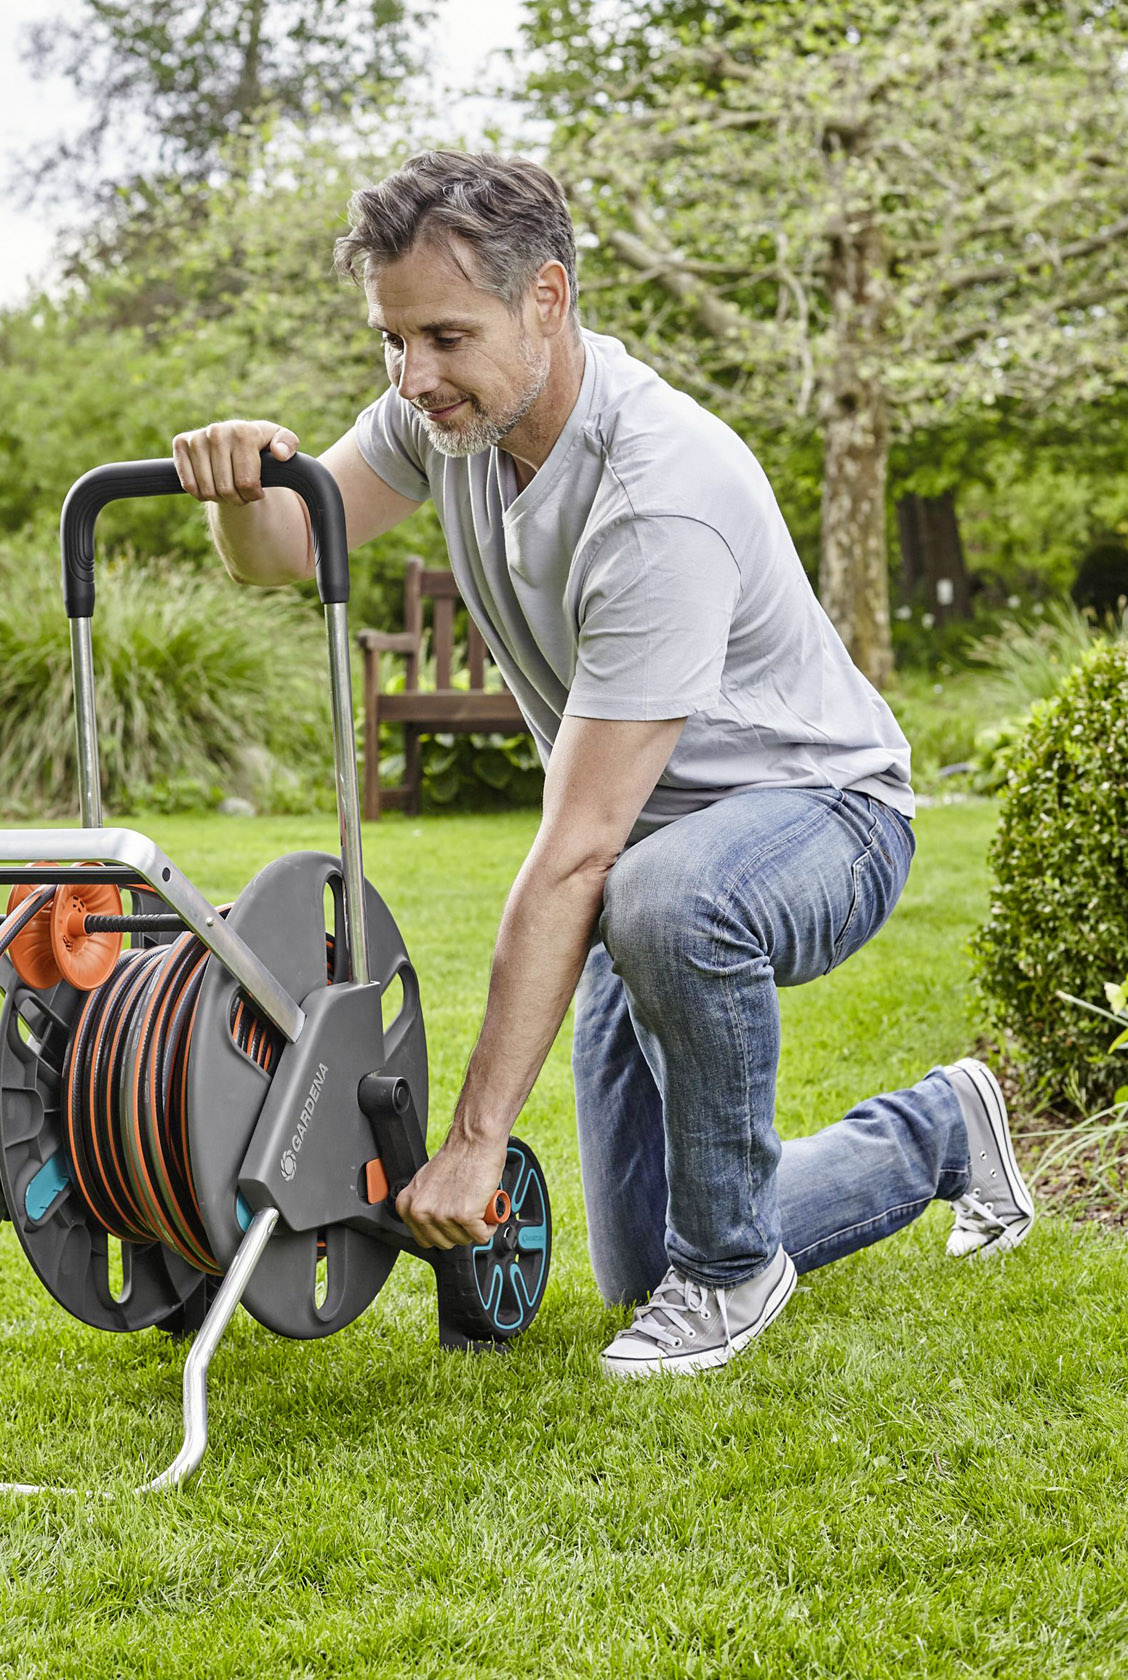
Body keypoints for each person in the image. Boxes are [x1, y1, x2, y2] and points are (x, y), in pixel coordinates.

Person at [171, 152, 1034, 1378]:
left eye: (446, 337)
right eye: (393, 340)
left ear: (548, 299)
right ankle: (943, 1128)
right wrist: (241, 486)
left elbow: (578, 851)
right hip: (647, 853)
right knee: (639, 1264)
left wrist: (476, 1138)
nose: (414, 377)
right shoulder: (447, 419)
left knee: (666, 904)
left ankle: (731, 1280)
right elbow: (291, 553)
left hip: (821, 816)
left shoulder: (656, 493)